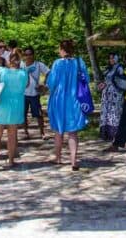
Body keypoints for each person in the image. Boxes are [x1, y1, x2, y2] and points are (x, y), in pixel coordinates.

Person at [46, 39, 88, 170]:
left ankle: (58, 158)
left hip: (59, 100)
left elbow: (51, 83)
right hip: (74, 100)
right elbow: (86, 79)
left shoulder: (57, 64)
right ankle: (73, 161)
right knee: (72, 132)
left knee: (58, 131)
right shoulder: (79, 62)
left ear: (62, 50)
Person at [20, 46, 50, 140]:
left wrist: (43, 84)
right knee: (23, 114)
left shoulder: (38, 64)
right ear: (24, 56)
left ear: (33, 55)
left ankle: (42, 133)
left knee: (38, 114)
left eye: (30, 54)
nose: (28, 56)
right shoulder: (21, 65)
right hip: (23, 93)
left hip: (34, 94)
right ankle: (25, 132)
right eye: (26, 54)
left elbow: (48, 72)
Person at [98, 52, 126, 141]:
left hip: (115, 96)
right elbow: (105, 80)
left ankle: (115, 135)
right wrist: (102, 85)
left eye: (112, 58)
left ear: (116, 58)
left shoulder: (119, 68)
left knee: (114, 114)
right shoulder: (108, 69)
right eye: (110, 58)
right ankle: (106, 134)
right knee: (106, 114)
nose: (111, 60)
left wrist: (114, 83)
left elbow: (124, 82)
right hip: (106, 96)